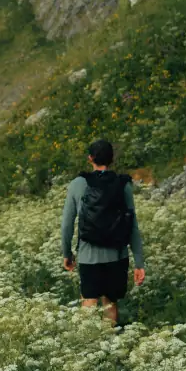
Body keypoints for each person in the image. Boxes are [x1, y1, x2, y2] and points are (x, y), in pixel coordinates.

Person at [60, 139, 145, 324]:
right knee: (110, 304)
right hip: (117, 256)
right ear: (112, 159)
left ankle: (86, 347)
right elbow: (133, 225)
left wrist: (67, 254)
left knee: (89, 302)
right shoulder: (123, 184)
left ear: (90, 158)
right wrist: (139, 262)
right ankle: (111, 346)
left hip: (88, 256)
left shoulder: (77, 184)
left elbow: (67, 224)